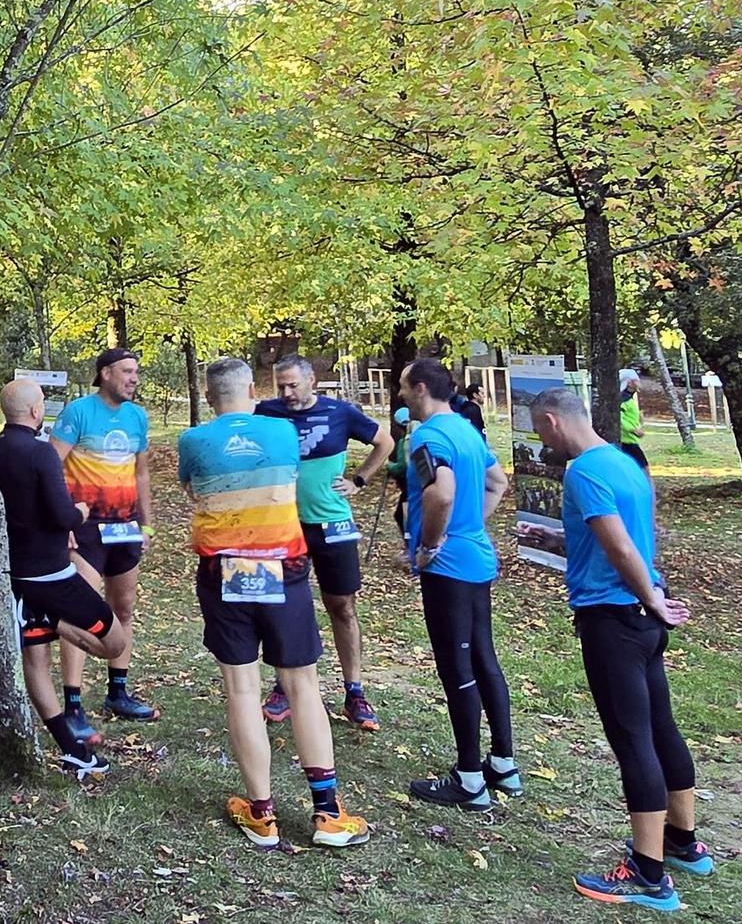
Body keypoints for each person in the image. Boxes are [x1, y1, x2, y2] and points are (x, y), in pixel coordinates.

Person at [177, 356, 371, 850]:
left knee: (242, 690)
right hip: (283, 570)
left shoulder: (193, 441)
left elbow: (189, 488)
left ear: (208, 392)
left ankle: (262, 815)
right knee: (303, 686)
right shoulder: (282, 433)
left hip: (223, 572)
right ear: (251, 388)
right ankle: (327, 813)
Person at [530, 387, 711, 909]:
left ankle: (647, 874)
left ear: (552, 421)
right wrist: (653, 594)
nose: (540, 439)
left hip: (616, 619)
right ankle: (683, 842)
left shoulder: (582, 471)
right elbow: (628, 534)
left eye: (539, 430)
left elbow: (619, 543)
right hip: (642, 618)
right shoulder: (625, 461)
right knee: (660, 726)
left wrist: (650, 596)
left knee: (633, 739)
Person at [0, 377, 127, 778]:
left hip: (14, 577)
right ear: (36, 412)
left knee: (37, 660)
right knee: (115, 641)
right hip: (52, 574)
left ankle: (73, 750)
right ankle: (49, 619)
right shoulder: (40, 453)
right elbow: (62, 515)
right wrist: (80, 512)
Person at [400, 357, 521, 809]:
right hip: (476, 557)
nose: (399, 395)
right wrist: (469, 527)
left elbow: (442, 491)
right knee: (484, 657)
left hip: (449, 567)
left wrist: (431, 543)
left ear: (422, 389)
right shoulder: (468, 430)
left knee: (457, 667)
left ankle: (470, 778)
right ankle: (503, 763)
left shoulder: (426, 436)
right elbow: (497, 482)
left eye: (404, 387)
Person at [256, 354, 393, 732]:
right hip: (282, 525)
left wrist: (359, 480)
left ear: (311, 380)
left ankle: (355, 691)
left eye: (292, 385)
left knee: (342, 607)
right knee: (281, 605)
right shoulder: (265, 412)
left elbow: (385, 441)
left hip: (332, 524)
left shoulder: (341, 413)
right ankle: (283, 685)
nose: (285, 393)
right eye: (280, 386)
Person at [51, 348, 158, 733]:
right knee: (83, 610)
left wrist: (147, 523)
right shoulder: (79, 412)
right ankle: (73, 703)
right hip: (84, 527)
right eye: (128, 371)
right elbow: (51, 466)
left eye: (136, 372)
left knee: (123, 608)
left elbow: (141, 474)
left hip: (125, 527)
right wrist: (59, 519)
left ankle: (118, 692)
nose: (134, 379)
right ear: (106, 373)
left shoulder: (137, 417)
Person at [617, 370, 649, 472]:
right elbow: (619, 418)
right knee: (644, 470)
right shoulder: (623, 399)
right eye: (636, 380)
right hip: (626, 441)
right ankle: (649, 488)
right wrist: (633, 430)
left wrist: (639, 420)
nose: (639, 382)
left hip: (630, 440)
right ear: (629, 383)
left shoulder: (630, 399)